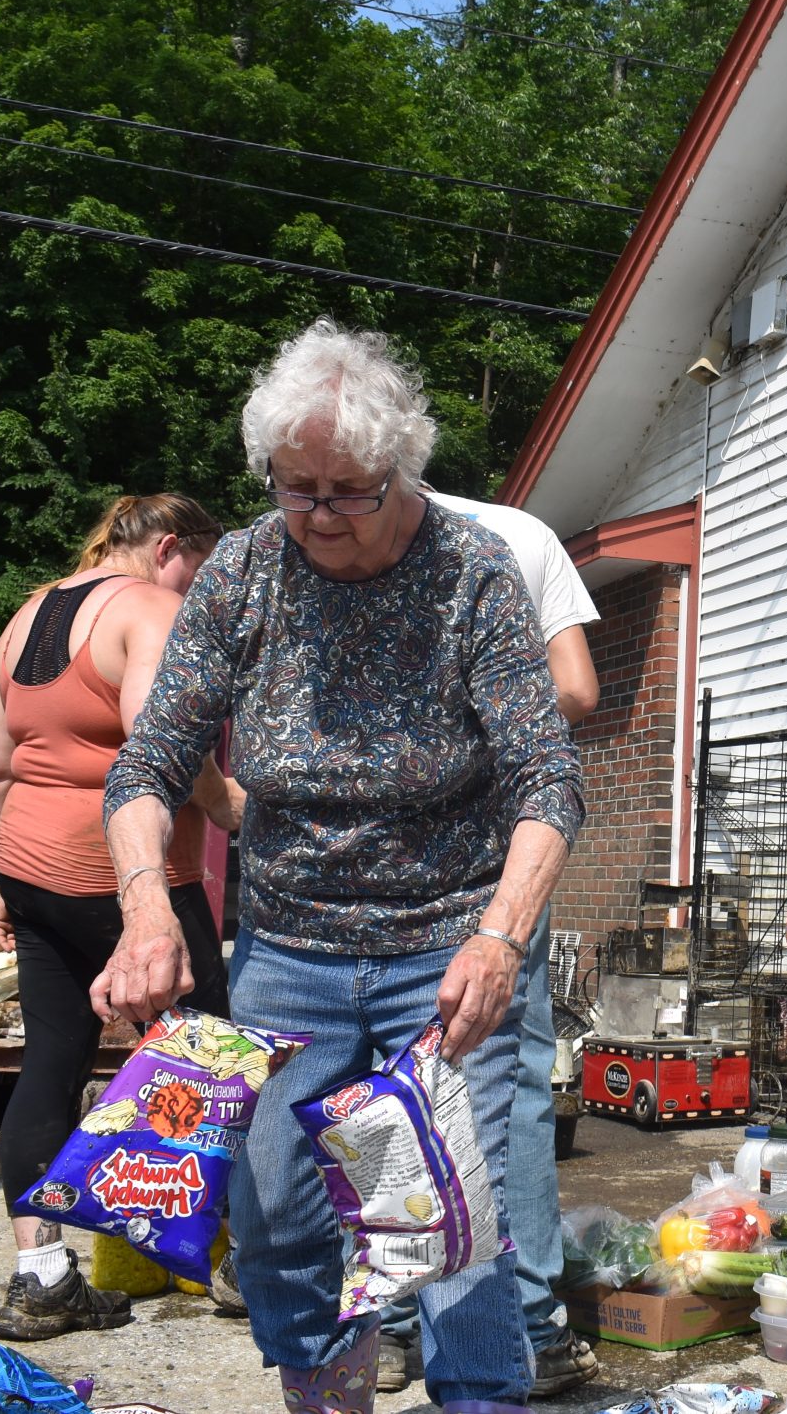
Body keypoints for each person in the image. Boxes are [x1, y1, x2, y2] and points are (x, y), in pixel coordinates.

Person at [97, 319, 583, 1414]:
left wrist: (502, 934)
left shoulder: (472, 571)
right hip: (287, 943)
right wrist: (146, 912)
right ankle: (328, 1397)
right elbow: (148, 763)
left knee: (450, 1211)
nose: (316, 516)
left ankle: (479, 1401)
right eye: (293, 487)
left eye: (346, 492)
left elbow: (547, 778)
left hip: (448, 939)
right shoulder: (243, 570)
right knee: (275, 1208)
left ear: (400, 467)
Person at [0, 492, 237, 1340]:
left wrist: (2, 882)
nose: (202, 592)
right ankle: (240, 1266)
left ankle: (41, 1274)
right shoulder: (151, 606)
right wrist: (229, 806)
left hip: (29, 866)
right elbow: (162, 741)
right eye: (200, 570)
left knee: (51, 1059)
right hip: (125, 875)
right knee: (215, 1057)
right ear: (170, 549)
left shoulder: (24, 615)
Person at [379, 489, 601, 1397]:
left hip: (373, 860)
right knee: (504, 1076)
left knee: (390, 1076)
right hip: (503, 851)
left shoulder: (324, 541)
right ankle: (533, 1323)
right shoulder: (524, 532)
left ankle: (393, 1321)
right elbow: (579, 689)